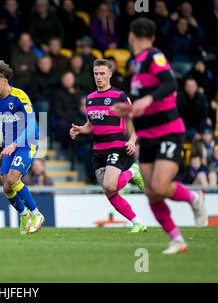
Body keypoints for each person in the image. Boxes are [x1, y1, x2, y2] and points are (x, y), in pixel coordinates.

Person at [112, 17, 207, 255]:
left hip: (168, 132)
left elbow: (171, 84)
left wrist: (146, 100)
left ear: (131, 38)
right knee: (152, 192)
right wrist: (129, 109)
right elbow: (146, 103)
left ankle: (195, 198)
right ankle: (176, 239)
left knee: (159, 185)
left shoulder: (155, 56)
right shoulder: (136, 65)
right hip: (148, 135)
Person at [70, 59, 147, 233]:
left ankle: (133, 171)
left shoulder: (119, 96)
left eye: (102, 73)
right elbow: (91, 126)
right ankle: (138, 222)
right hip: (98, 150)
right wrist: (79, 129)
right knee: (109, 191)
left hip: (116, 146)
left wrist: (132, 140)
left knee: (110, 186)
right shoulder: (89, 99)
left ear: (110, 74)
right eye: (96, 73)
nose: (99, 77)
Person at [0, 60, 44, 235]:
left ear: (5, 80)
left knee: (12, 179)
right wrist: (5, 147)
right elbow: (8, 125)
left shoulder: (20, 96)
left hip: (27, 143)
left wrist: (14, 144)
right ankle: (23, 214)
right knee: (6, 187)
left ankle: (37, 215)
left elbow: (31, 125)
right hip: (10, 146)